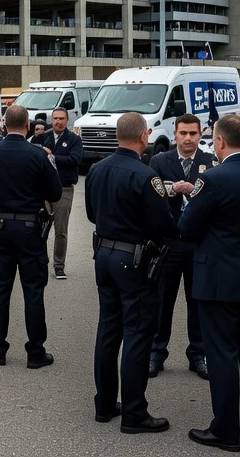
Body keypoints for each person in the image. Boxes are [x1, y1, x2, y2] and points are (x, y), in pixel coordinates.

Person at [178, 115, 240, 451]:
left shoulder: (214, 179)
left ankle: (225, 431)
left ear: (219, 141)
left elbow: (188, 226)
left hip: (220, 280)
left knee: (222, 354)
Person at [87, 112, 175, 434]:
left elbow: (92, 213)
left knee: (109, 330)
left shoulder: (96, 170)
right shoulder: (146, 175)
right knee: (137, 334)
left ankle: (105, 404)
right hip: (134, 261)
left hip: (104, 255)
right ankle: (135, 413)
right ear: (144, 136)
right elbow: (162, 224)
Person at [0, 104, 62, 368]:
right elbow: (55, 193)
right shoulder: (38, 155)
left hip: (0, 228)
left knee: (0, 290)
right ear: (28, 126)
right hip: (29, 230)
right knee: (33, 291)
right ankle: (35, 352)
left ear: (4, 124)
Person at [146, 114, 215, 379]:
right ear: (174, 134)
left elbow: (213, 200)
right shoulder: (159, 161)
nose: (188, 138)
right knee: (163, 300)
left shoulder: (209, 162)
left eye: (193, 133)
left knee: (197, 301)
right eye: (183, 133)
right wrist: (171, 190)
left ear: (201, 135)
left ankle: (198, 354)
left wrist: (193, 190)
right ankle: (156, 352)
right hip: (170, 242)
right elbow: (151, 197)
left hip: (198, 244)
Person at [41, 108, 84, 280]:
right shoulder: (44, 136)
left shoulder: (74, 140)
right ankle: (41, 261)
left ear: (67, 120)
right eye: (55, 118)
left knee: (61, 230)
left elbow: (74, 160)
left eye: (62, 118)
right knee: (40, 227)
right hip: (42, 190)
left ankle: (59, 265)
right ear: (51, 120)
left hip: (63, 188)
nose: (58, 121)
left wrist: (52, 156)